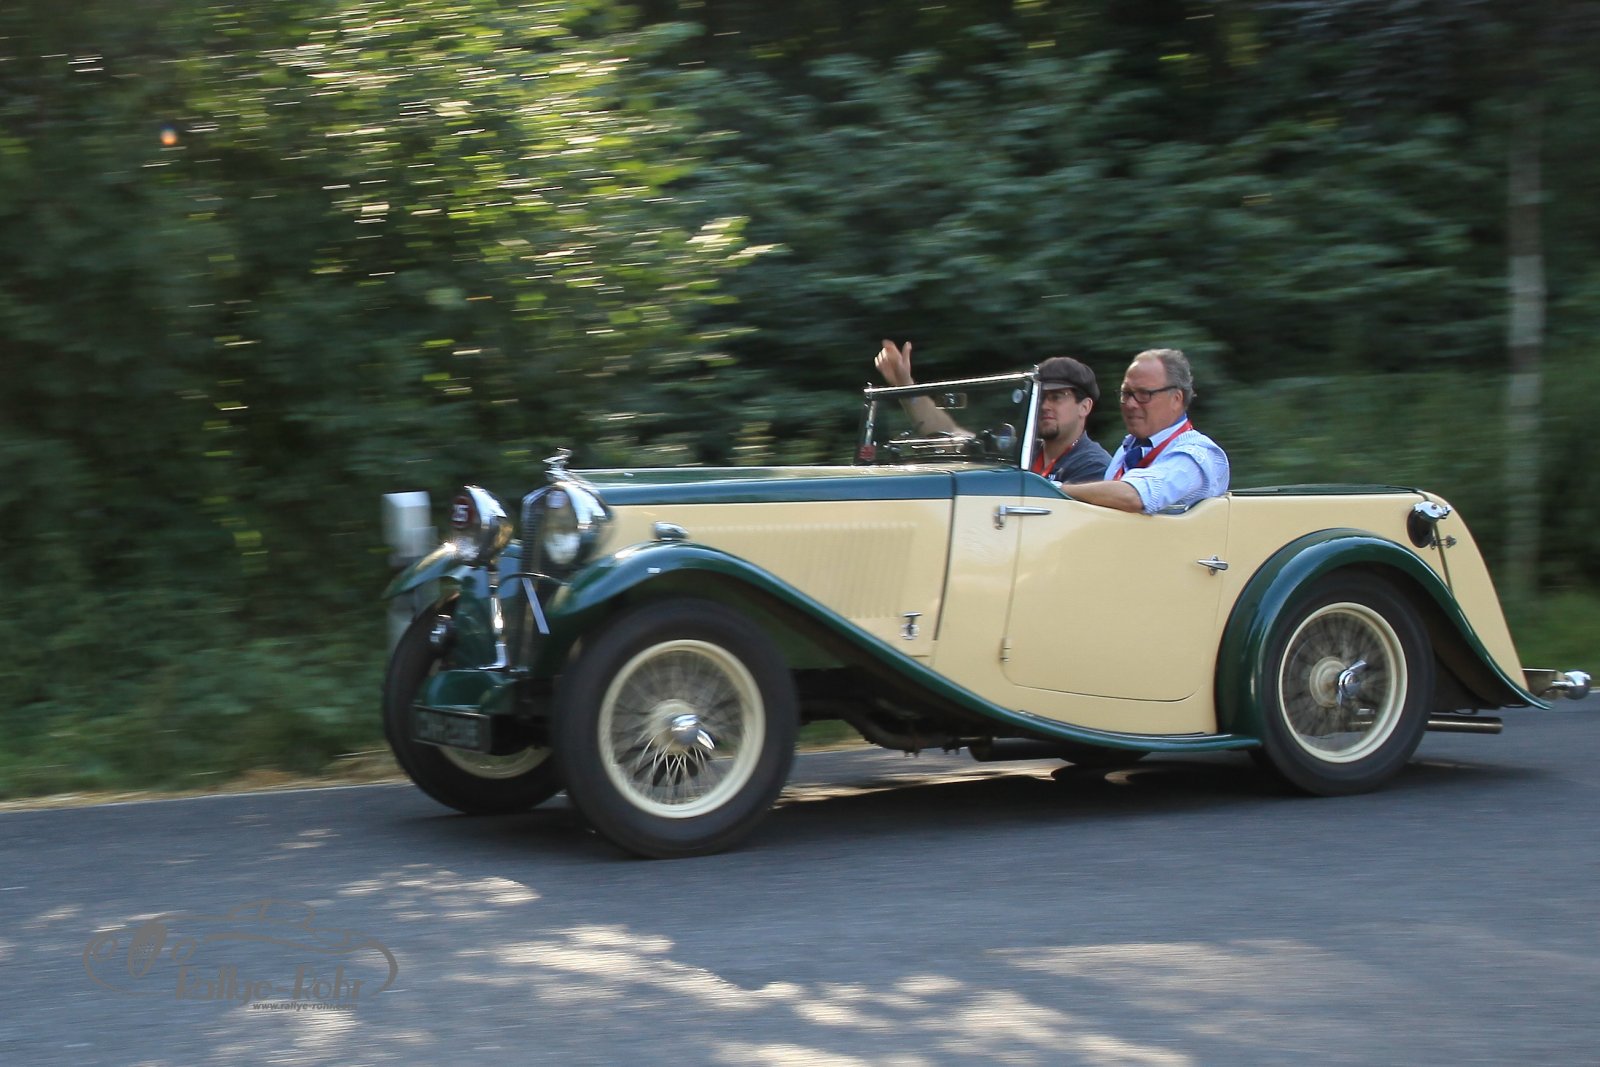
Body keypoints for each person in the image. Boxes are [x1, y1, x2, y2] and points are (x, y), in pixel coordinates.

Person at [874, 340, 1111, 484]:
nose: (1045, 405)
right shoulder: (1024, 451)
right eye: (1040, 397)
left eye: (1057, 397)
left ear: (1085, 407)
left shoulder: (1093, 465)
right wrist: (906, 386)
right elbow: (950, 435)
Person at [1066, 348, 1230, 514]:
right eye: (1126, 393)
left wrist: (1058, 490)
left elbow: (1135, 497)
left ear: (1176, 399)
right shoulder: (1127, 448)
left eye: (1144, 394)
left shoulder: (1197, 454)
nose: (1130, 404)